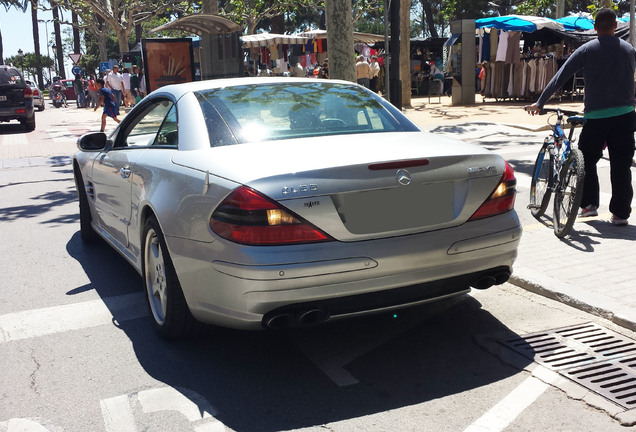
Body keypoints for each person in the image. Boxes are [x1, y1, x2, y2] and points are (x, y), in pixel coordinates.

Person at [525, 8, 636, 226]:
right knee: (621, 165)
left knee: (586, 161)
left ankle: (588, 205)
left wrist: (540, 102)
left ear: (594, 28)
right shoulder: (629, 49)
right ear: (615, 26)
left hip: (596, 118)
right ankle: (621, 214)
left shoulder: (586, 50)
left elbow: (560, 76)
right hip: (625, 116)